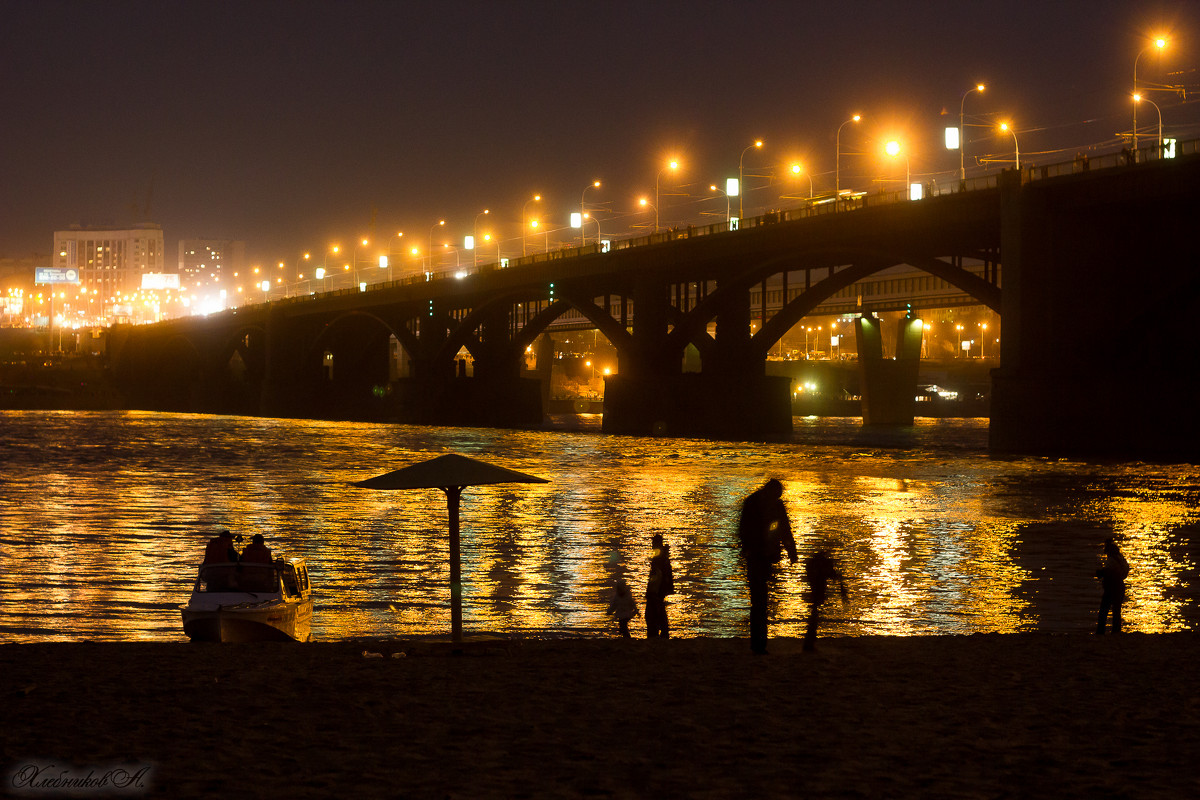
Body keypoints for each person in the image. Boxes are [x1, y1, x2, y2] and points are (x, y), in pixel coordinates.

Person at [737, 479, 797, 654]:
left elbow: (783, 528)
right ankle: (759, 644)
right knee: (760, 601)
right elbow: (783, 528)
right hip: (758, 556)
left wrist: (791, 550)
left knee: (760, 601)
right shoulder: (759, 504)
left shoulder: (758, 503)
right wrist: (790, 550)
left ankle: (759, 643)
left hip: (762, 556)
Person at [803, 548, 847, 652]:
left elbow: (830, 574)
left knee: (814, 612)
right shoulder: (821, 566)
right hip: (817, 586)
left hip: (816, 586)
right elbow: (831, 574)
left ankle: (810, 640)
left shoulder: (814, 565)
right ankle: (809, 642)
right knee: (814, 613)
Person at [1096, 537, 1130, 634]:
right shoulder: (1121, 560)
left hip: (1112, 588)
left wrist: (1100, 573)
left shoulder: (1111, 560)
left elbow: (1107, 571)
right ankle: (1116, 632)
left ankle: (1100, 632)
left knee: (1103, 610)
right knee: (1116, 611)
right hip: (1120, 587)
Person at [644, 534, 674, 639]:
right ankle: (662, 633)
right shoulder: (662, 556)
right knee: (658, 611)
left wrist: (652, 591)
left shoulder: (659, 556)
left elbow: (657, 574)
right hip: (659, 590)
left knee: (653, 612)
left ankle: (656, 633)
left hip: (657, 590)